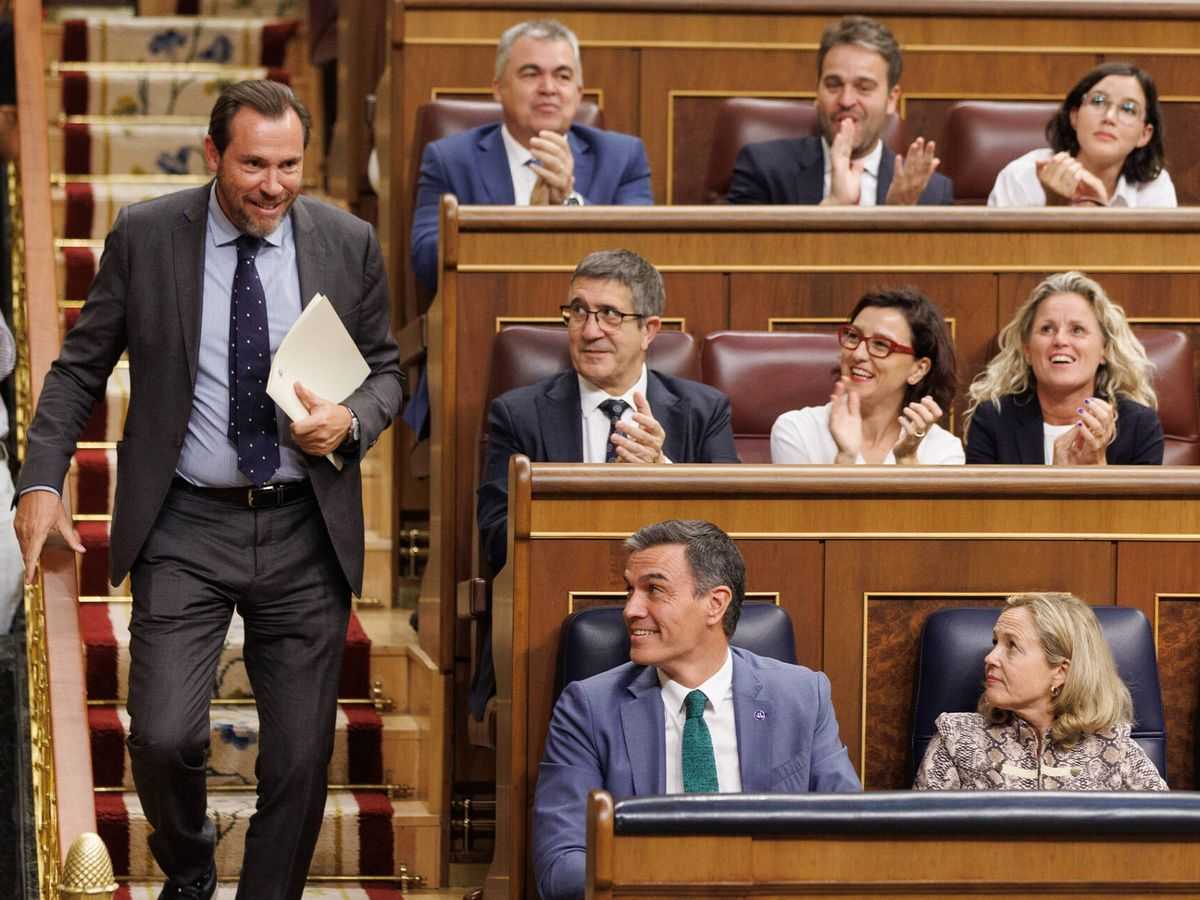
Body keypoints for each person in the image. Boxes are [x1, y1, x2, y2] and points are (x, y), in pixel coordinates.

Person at [13, 80, 404, 900]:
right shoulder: (149, 235)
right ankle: (188, 872)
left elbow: (387, 372)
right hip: (185, 524)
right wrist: (40, 479)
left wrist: (352, 418)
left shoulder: (347, 240)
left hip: (305, 528)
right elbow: (80, 368)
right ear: (212, 155)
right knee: (159, 736)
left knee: (299, 761)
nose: (273, 185)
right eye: (254, 164)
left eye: (289, 165)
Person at [472, 250, 739, 718]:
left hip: (679, 622)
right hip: (551, 617)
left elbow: (732, 534)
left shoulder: (703, 410)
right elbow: (497, 535)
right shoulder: (518, 413)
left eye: (610, 315)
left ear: (650, 330)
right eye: (578, 312)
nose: (590, 330)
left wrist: (666, 471)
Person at [533, 519, 861, 900]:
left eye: (654, 590)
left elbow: (849, 838)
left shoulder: (802, 695)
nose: (630, 610)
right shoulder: (589, 708)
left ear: (715, 604)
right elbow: (560, 864)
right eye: (630, 590)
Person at [410, 19, 652, 292]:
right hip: (490, 311)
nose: (548, 88)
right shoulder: (450, 159)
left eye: (563, 76)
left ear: (578, 92)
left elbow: (640, 266)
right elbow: (426, 262)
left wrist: (570, 203)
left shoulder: (624, 158)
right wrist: (522, 221)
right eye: (530, 73)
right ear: (498, 88)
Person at [914, 592, 1167, 791]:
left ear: (1060, 671)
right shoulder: (957, 738)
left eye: (1011, 645)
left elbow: (1168, 841)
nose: (990, 657)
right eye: (995, 643)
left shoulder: (1116, 749)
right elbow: (920, 845)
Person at [726, 15, 953, 207]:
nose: (846, 100)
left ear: (892, 99)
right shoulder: (764, 169)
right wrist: (833, 205)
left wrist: (895, 218)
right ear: (817, 92)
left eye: (864, 88)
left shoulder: (931, 191)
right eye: (833, 85)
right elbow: (741, 257)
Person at [964, 271, 1162, 465]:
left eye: (1077, 330)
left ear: (1104, 350)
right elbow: (981, 499)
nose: (1060, 340)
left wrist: (1098, 468)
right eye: (1047, 329)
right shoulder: (993, 420)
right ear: (1027, 350)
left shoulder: (1139, 425)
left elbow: (1146, 499)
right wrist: (1056, 479)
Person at [771, 287, 962, 464]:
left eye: (881, 345)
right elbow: (806, 503)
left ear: (918, 369)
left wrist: (907, 460)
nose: (858, 354)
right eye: (853, 336)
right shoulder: (797, 430)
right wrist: (846, 457)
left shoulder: (944, 450)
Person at [988, 63, 1174, 208]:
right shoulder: (1021, 177)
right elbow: (999, 255)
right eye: (1098, 101)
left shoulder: (1153, 186)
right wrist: (1054, 206)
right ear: (1075, 116)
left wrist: (1100, 211)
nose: (1109, 118)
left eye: (1128, 109)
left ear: (1144, 134)